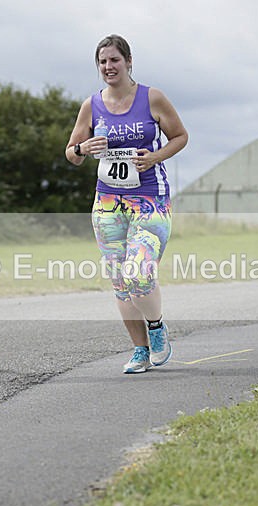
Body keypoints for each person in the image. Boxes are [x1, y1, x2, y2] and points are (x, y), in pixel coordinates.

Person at [65, 34, 188, 374]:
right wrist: (82, 149)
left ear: (129, 62)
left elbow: (180, 136)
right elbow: (71, 153)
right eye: (103, 62)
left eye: (114, 60)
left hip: (150, 198)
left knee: (139, 271)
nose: (108, 67)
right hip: (107, 204)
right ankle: (139, 350)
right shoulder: (92, 105)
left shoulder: (152, 98)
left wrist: (156, 156)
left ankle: (156, 325)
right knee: (120, 280)